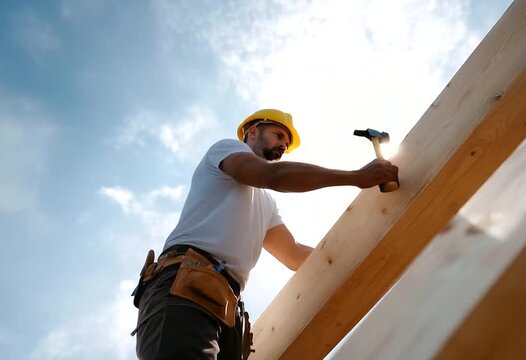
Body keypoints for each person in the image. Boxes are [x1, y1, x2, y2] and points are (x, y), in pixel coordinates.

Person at [132, 109, 399, 359]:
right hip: (186, 287)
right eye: (279, 135)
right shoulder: (226, 150)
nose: (284, 145)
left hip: (227, 311)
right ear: (252, 131)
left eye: (286, 142)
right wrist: (355, 177)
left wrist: (366, 251)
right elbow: (273, 176)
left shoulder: (265, 204)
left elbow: (294, 255)